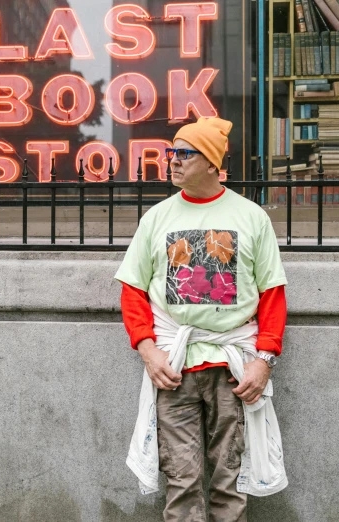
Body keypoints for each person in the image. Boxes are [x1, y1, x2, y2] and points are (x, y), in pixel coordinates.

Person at [115, 117, 287, 521]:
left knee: (231, 482)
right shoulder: (156, 218)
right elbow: (132, 291)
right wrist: (148, 351)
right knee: (182, 482)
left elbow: (273, 296)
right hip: (174, 369)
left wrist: (263, 362)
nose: (171, 162)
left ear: (211, 162)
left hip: (235, 371)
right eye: (171, 153)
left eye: (183, 154)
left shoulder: (251, 217)